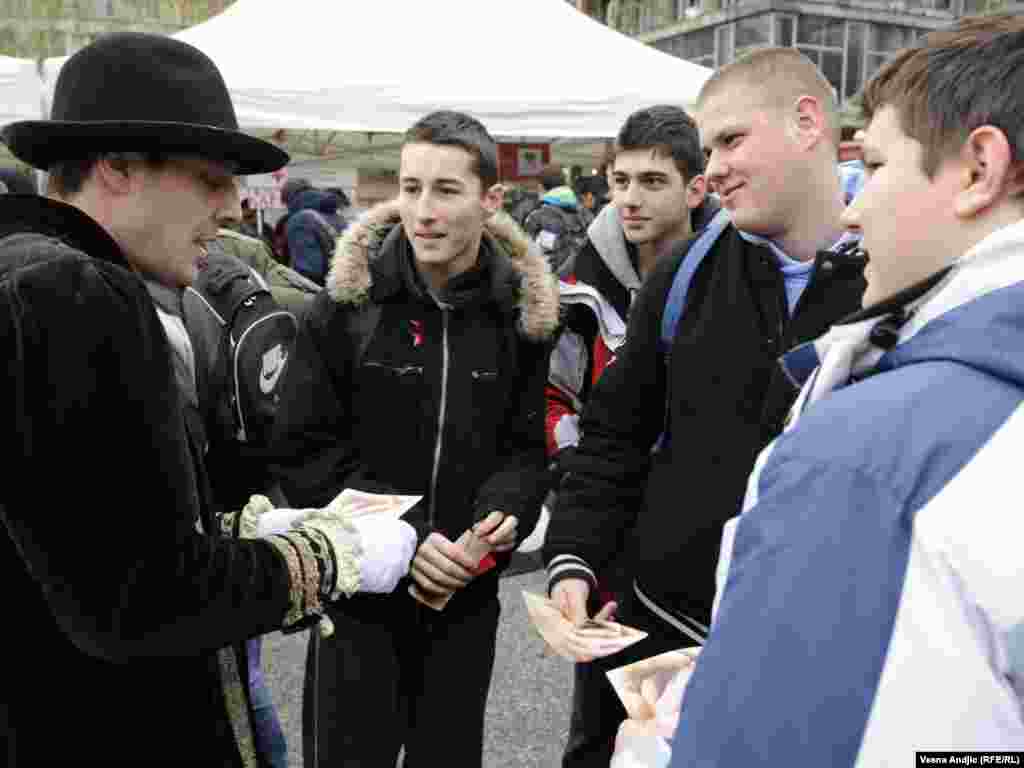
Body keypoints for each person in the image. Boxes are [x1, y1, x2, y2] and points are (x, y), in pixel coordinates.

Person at [0, 32, 418, 767]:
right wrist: (327, 556)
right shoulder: (79, 291)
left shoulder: (26, 276)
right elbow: (138, 598)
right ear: (119, 168)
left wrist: (232, 523)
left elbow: (80, 533)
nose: (232, 205)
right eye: (210, 177)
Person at [669, 14, 1024, 765]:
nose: (857, 208)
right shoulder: (692, 274)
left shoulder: (866, 460)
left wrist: (662, 744)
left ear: (979, 170)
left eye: (883, 166)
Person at [542, 48, 867, 767]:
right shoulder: (686, 274)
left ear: (808, 123)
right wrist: (574, 560)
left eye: (730, 140)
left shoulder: (893, 275)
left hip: (819, 653)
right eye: (707, 145)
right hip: (664, 627)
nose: (710, 166)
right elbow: (612, 440)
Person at [271, 109, 559, 767]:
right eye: (410, 187)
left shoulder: (522, 311)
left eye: (446, 190)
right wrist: (408, 540)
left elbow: (524, 449)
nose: (422, 211)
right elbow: (302, 449)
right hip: (360, 596)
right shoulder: (347, 304)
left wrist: (497, 523)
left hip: (463, 595)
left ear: (490, 201)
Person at [546, 103, 715, 768]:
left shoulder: (732, 277)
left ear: (695, 189)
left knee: (675, 728)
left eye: (652, 181)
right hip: (606, 530)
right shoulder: (579, 287)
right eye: (621, 181)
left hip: (691, 543)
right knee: (598, 725)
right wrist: (574, 494)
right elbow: (555, 397)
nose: (631, 199)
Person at [524, 162, 594, 276]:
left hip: (551, 284)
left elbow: (526, 256)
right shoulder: (586, 214)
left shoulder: (536, 217)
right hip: (584, 282)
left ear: (541, 187)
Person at [283, 178, 346, 285]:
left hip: (320, 290)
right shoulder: (337, 216)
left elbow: (308, 269)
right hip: (343, 284)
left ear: (290, 198)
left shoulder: (300, 220)